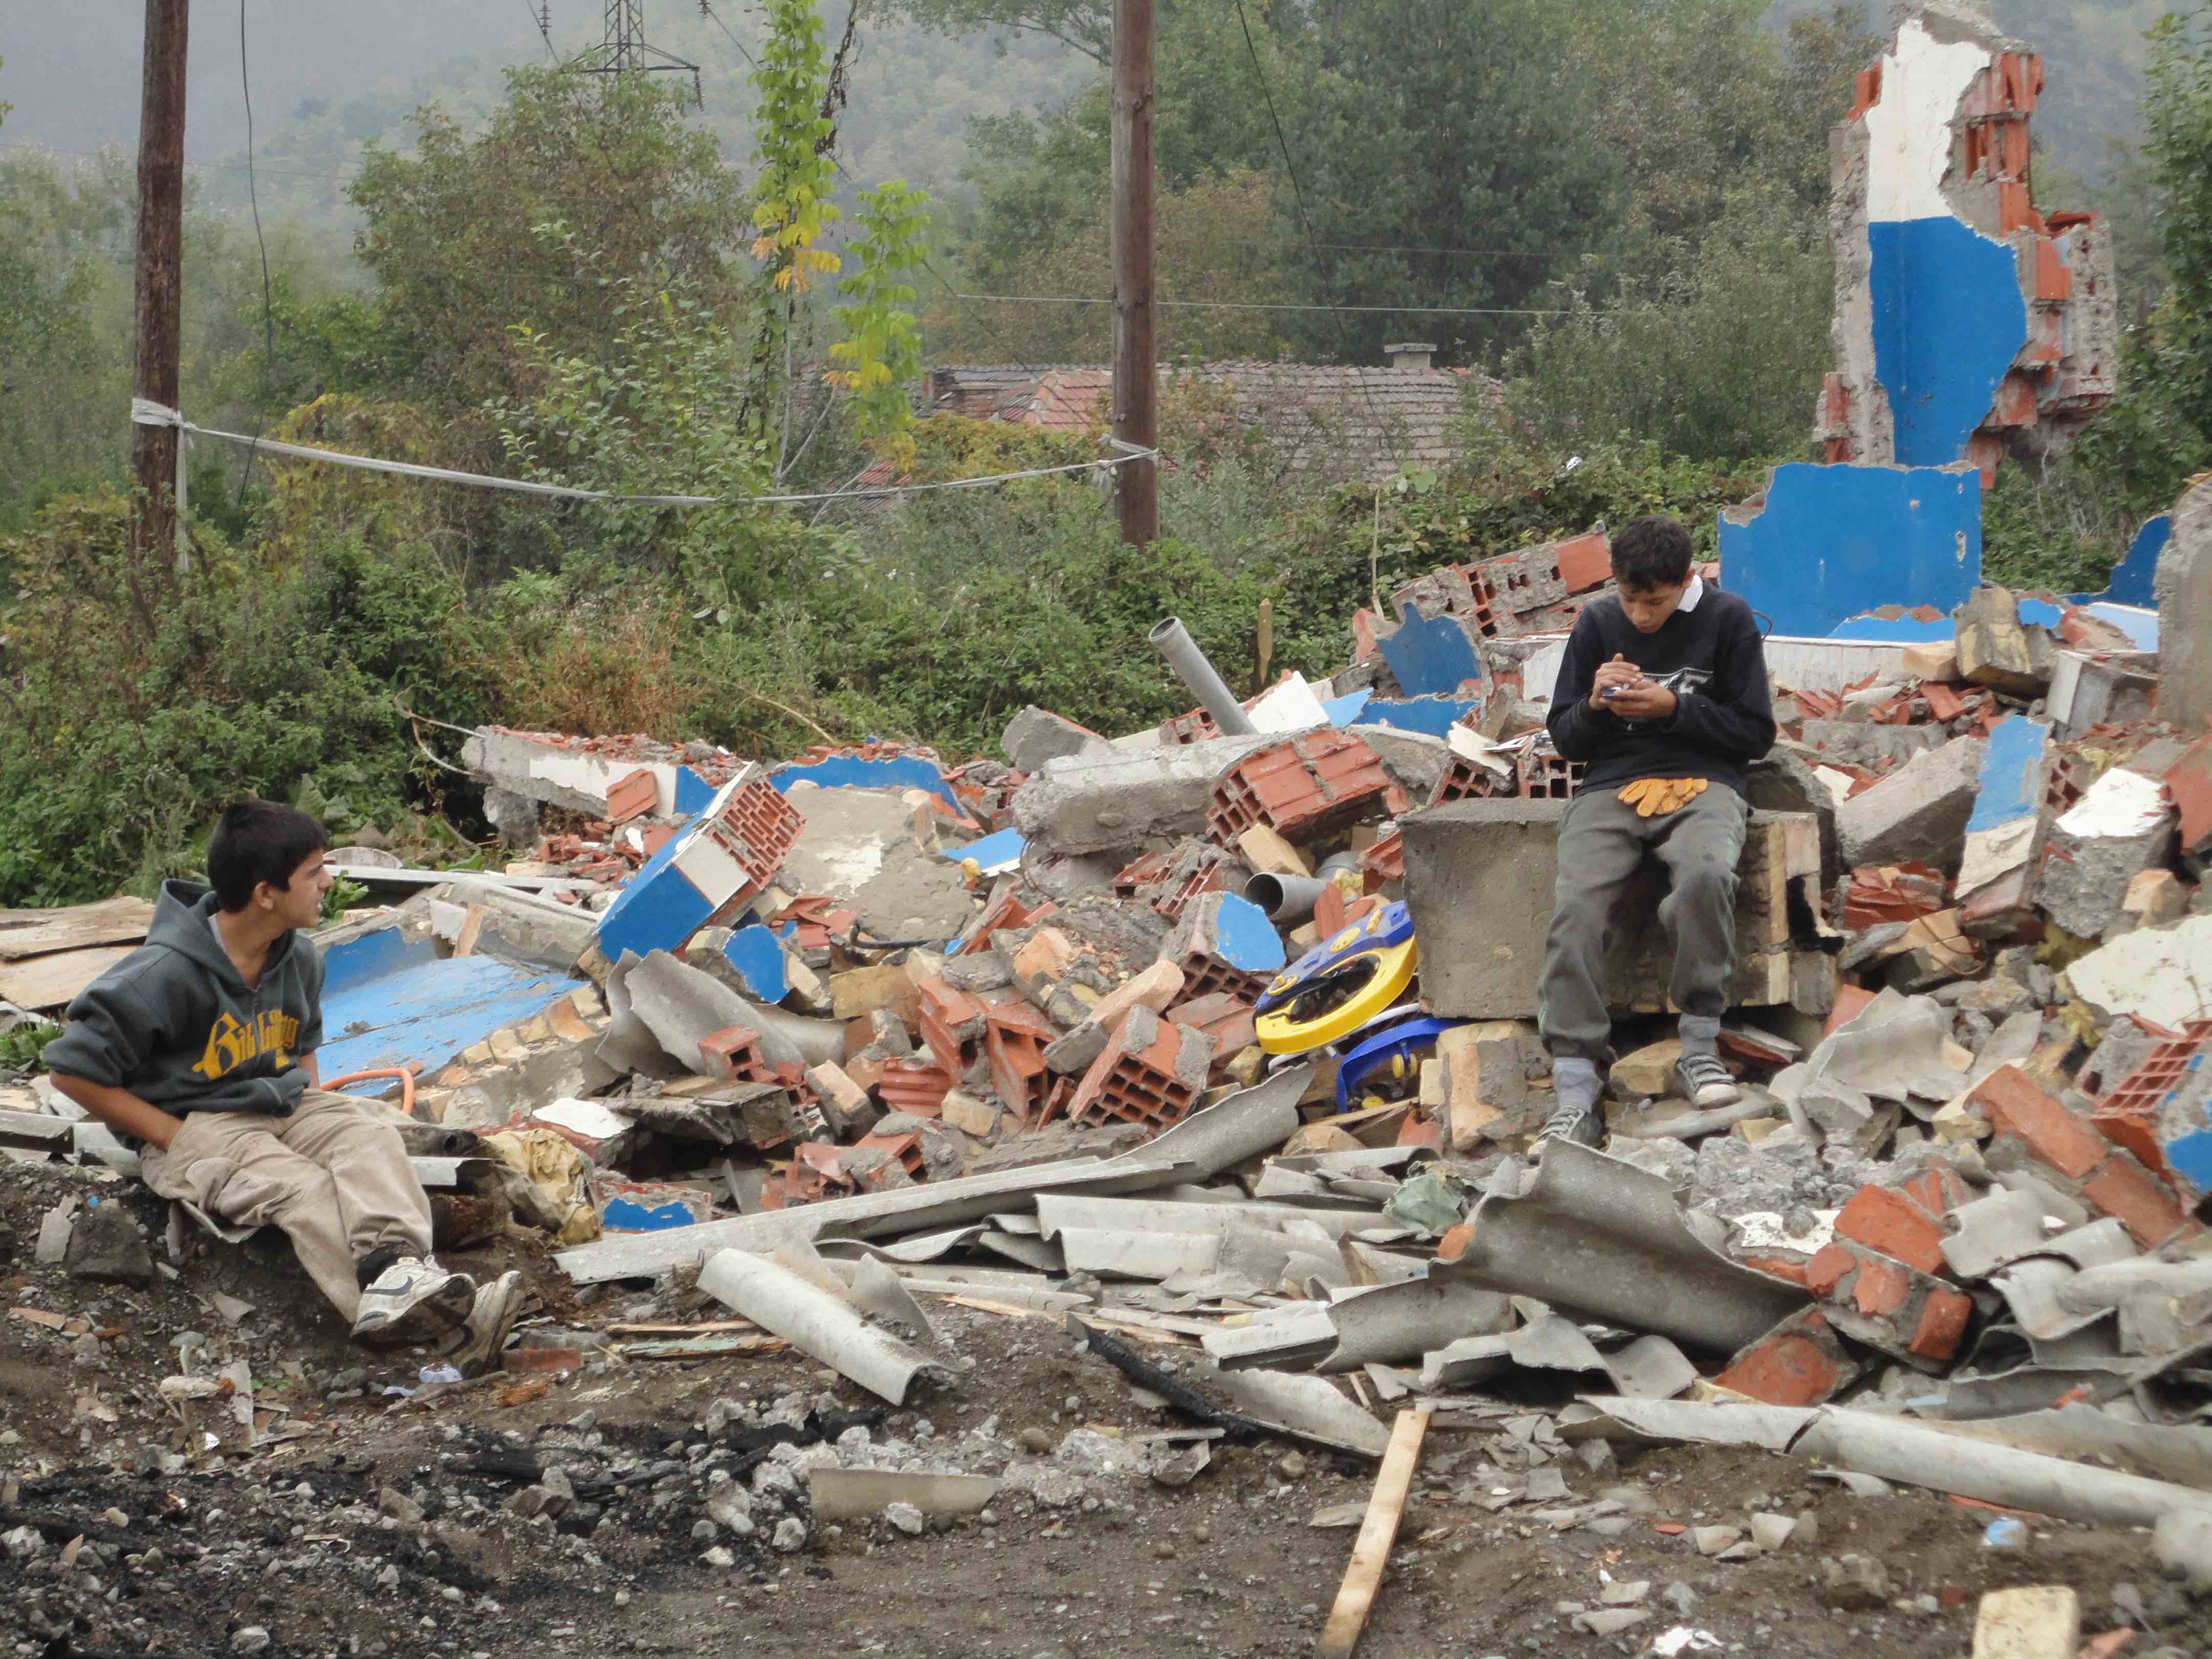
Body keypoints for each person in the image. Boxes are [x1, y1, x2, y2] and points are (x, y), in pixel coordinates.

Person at [45, 801, 522, 1371]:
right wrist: (174, 1136)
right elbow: (69, 1069)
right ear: (266, 893)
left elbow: (301, 1044)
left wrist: (308, 1109)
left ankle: (396, 1269)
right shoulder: (159, 976)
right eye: (313, 872)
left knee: (367, 1136)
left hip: (279, 1106)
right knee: (304, 1189)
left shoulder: (298, 958)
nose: (327, 882)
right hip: (198, 1127)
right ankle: (439, 1346)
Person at [1535, 516, 1777, 1147]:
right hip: (1611, 784)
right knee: (1575, 907)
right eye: (1629, 598)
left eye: (1656, 601)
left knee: (1704, 875)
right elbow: (1565, 739)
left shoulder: (1728, 620)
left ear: (1687, 582)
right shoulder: (1596, 625)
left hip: (1705, 781)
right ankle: (1576, 1083)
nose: (1640, 615)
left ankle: (1699, 1045)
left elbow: (1755, 734)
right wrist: (1592, 704)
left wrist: (1676, 709)